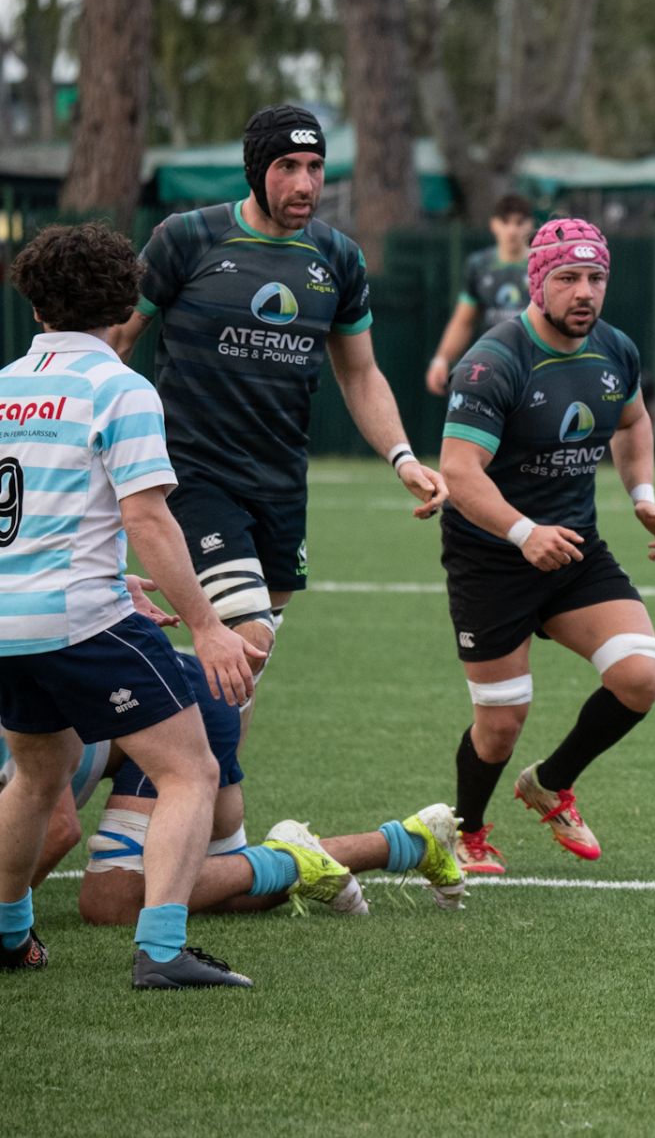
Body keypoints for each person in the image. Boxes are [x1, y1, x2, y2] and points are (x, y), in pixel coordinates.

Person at [108, 104, 448, 724]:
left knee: (246, 667)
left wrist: (403, 458)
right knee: (247, 638)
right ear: (256, 170)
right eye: (287, 166)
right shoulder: (188, 238)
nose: (305, 183)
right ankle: (146, 751)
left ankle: (205, 781)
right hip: (195, 474)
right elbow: (118, 341)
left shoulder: (338, 257)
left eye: (315, 167)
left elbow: (360, 373)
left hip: (282, 482)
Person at [0, 221, 261, 988]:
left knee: (35, 778)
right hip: (81, 621)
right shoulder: (120, 387)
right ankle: (163, 949)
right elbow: (147, 516)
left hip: (10, 620)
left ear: (36, 304)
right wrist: (207, 625)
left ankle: (9, 935)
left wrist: (112, 573)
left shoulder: (6, 383)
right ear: (124, 304)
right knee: (191, 770)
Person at [437, 217, 655, 875]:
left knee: (640, 674)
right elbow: (459, 471)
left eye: (596, 277)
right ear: (537, 281)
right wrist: (523, 531)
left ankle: (550, 782)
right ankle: (467, 831)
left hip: (572, 547)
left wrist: (643, 494)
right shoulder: (495, 360)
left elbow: (633, 421)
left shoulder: (615, 349)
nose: (584, 292)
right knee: (500, 724)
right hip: (492, 556)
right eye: (568, 277)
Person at [0, 635, 465, 922]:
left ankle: (294, 860)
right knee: (227, 889)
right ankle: (409, 842)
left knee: (113, 903)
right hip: (177, 700)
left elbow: (58, 826)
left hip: (179, 710)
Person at [425, 193, 536, 396]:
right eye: (505, 222)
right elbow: (463, 321)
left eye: (519, 222)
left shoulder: (542, 264)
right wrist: (441, 359)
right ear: (494, 224)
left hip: (535, 367)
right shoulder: (479, 265)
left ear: (530, 225)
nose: (512, 230)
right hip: (493, 366)